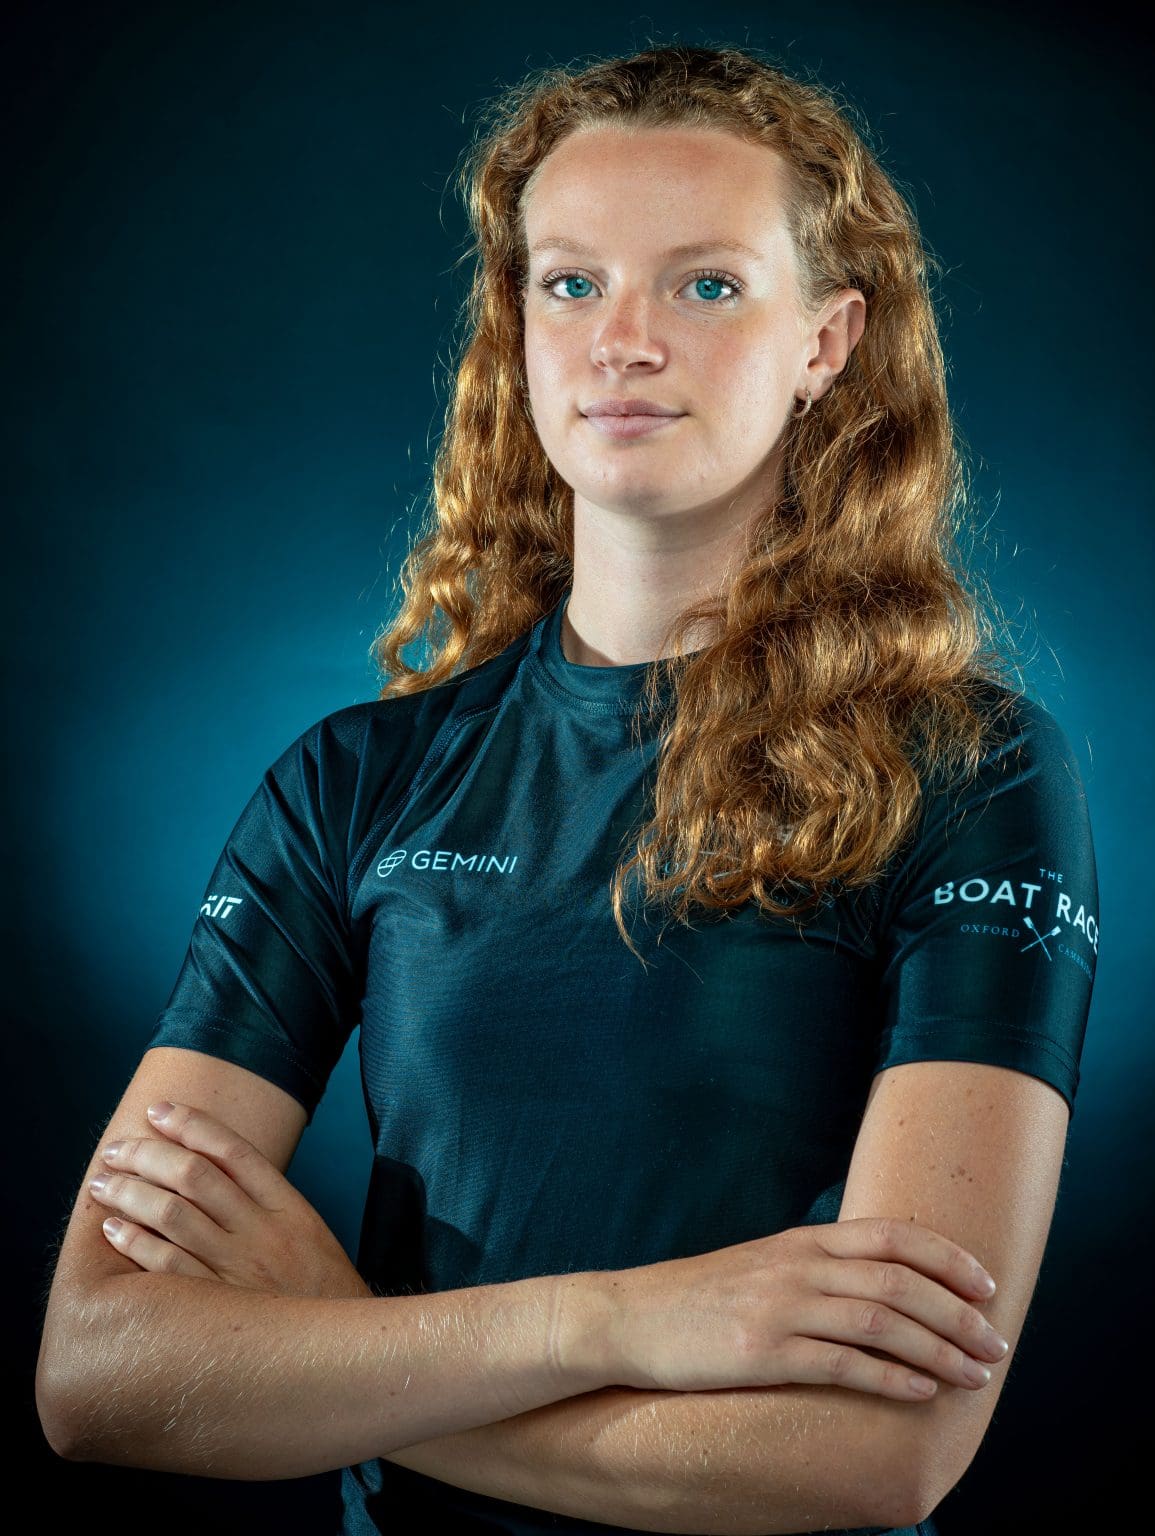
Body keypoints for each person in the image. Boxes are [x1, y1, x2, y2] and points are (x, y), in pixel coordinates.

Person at [35, 42, 1099, 1536]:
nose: (625, 341)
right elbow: (97, 1372)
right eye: (572, 283)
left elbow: (881, 1451)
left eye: (707, 284)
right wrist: (612, 1321)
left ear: (827, 340)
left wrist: (348, 1351)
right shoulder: (355, 782)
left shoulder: (968, 771)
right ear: (518, 330)